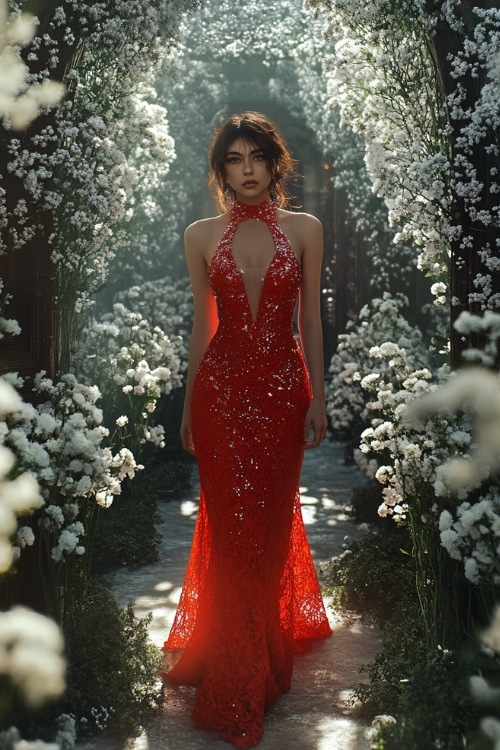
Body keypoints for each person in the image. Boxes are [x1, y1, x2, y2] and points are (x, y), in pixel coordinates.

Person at [162, 111, 332, 749]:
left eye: (256, 156)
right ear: (221, 171)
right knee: (232, 527)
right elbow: (202, 326)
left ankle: (261, 653)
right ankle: (238, 671)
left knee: (269, 521)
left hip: (285, 394)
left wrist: (316, 395)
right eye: (233, 159)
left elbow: (310, 319)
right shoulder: (200, 235)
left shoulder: (306, 230)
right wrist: (186, 405)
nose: (247, 169)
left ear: (274, 162)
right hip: (221, 394)